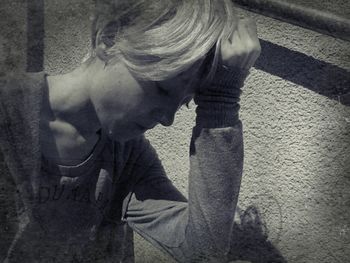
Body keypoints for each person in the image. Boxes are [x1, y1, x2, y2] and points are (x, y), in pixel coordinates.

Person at [0, 0, 262, 262]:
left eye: (183, 103)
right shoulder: (8, 119)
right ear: (108, 38)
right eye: (162, 89)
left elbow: (203, 250)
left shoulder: (128, 159)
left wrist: (221, 101)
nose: (168, 118)